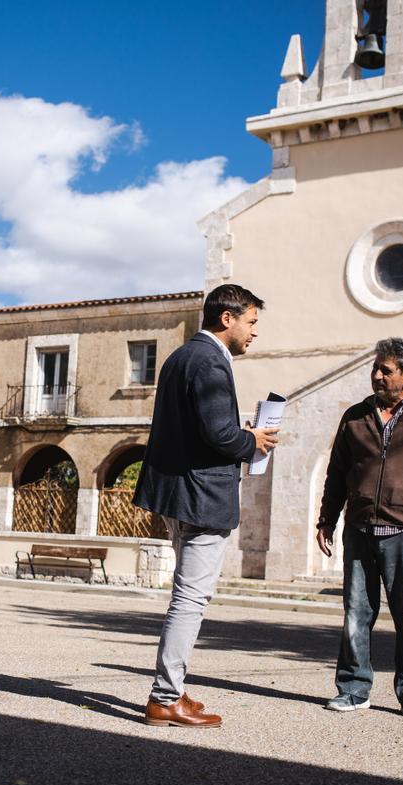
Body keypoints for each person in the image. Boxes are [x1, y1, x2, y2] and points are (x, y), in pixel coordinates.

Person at [133, 283, 279, 728]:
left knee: (187, 594)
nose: (255, 333)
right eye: (252, 322)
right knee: (190, 599)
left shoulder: (181, 356)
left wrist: (240, 434)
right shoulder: (212, 361)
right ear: (228, 318)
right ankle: (165, 697)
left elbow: (201, 430)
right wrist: (251, 439)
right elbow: (218, 436)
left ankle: (174, 687)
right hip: (201, 497)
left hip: (179, 495)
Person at [315, 337, 403, 720]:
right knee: (355, 614)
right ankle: (353, 689)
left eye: (386, 370)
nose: (377, 375)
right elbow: (336, 475)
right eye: (375, 368)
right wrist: (327, 520)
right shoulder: (355, 416)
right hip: (360, 529)